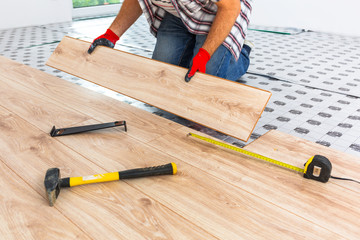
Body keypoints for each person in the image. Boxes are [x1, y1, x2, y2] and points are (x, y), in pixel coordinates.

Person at [88, 0, 253, 82]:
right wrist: (111, 35)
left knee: (203, 81)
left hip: (220, 11)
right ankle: (195, 48)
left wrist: (204, 54)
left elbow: (230, 7)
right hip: (177, 11)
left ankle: (241, 54)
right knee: (162, 78)